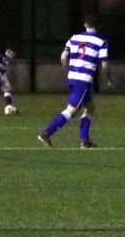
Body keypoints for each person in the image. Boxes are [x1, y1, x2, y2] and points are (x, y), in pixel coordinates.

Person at [38, 17, 108, 148]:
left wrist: (69, 68)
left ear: (85, 24)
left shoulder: (74, 38)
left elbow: (63, 57)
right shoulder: (101, 41)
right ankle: (46, 133)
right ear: (99, 26)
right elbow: (104, 65)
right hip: (84, 80)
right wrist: (108, 78)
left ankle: (85, 140)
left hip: (73, 77)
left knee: (90, 107)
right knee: (72, 110)